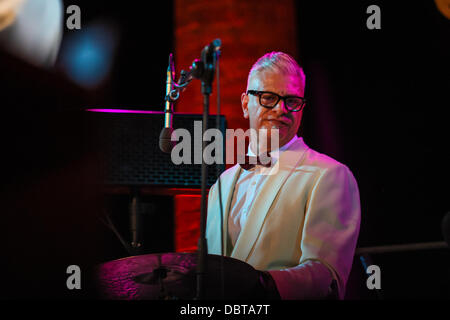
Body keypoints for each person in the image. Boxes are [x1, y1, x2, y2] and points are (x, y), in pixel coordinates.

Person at [206, 52, 361, 299]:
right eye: (268, 98)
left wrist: (261, 286)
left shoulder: (330, 175)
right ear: (246, 105)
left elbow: (326, 276)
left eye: (291, 101)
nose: (281, 109)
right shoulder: (221, 185)